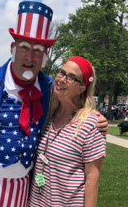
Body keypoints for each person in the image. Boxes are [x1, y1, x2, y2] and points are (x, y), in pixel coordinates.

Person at [0, 1, 108, 207]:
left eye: (37, 50)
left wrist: (94, 116)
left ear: (44, 56)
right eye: (24, 47)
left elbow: (71, 100)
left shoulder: (48, 86)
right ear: (13, 48)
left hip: (22, 189)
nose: (30, 57)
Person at [29, 56, 106, 207]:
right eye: (61, 72)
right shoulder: (47, 115)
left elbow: (93, 176)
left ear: (81, 89)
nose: (62, 79)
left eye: (71, 77)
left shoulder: (90, 124)